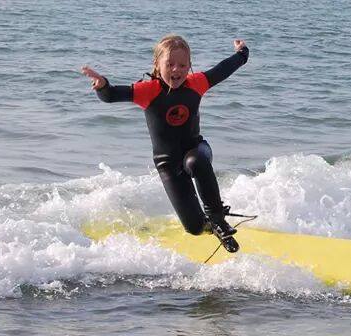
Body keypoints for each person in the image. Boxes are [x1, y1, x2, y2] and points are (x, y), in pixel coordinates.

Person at [81, 34, 248, 251]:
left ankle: (218, 219)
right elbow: (112, 95)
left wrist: (242, 53)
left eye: (182, 65)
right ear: (157, 65)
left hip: (197, 150)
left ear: (189, 66)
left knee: (195, 162)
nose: (176, 70)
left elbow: (224, 68)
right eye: (170, 64)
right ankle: (211, 227)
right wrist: (103, 85)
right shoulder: (148, 90)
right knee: (194, 228)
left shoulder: (196, 83)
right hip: (167, 164)